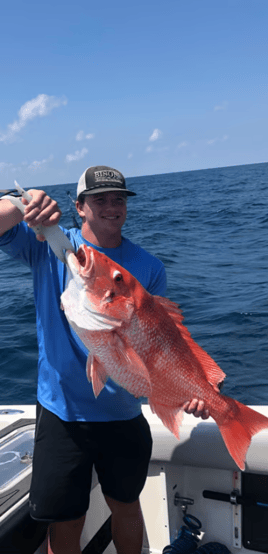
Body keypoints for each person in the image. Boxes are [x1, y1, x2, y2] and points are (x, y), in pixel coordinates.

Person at [0, 166, 209, 554]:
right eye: (99, 199)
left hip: (124, 413)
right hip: (62, 413)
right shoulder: (52, 244)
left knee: (127, 507)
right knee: (65, 520)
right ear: (79, 207)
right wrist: (21, 201)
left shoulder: (148, 267)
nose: (111, 207)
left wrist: (195, 388)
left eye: (119, 199)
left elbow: (166, 343)